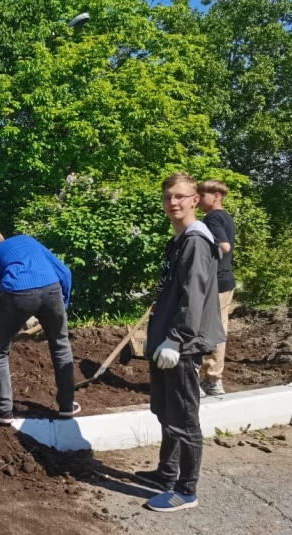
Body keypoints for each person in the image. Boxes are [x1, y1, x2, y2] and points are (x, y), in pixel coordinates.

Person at [136, 172, 226, 512]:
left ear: (194, 200)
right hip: (165, 343)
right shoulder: (178, 240)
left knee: (184, 419)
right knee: (164, 410)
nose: (172, 202)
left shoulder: (196, 241)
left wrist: (176, 339)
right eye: (167, 197)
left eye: (180, 196)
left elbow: (194, 296)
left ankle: (186, 490)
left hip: (181, 347)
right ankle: (167, 473)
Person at [0, 231, 79, 424]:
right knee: (61, 345)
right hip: (52, 289)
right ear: (2, 241)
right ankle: (67, 406)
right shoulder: (27, 241)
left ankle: (3, 411)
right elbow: (65, 273)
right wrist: (63, 305)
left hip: (16, 294)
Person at [196, 180, 236, 396]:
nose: (198, 200)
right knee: (219, 330)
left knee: (202, 329)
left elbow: (224, 246)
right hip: (226, 281)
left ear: (217, 195)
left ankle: (203, 378)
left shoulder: (212, 217)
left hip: (214, 283)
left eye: (202, 195)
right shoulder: (226, 216)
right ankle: (213, 380)